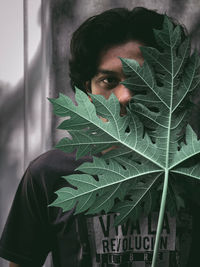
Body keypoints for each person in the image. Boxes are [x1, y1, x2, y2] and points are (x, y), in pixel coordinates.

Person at [0, 6, 199, 267]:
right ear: (88, 92)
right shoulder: (48, 175)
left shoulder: (193, 171)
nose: (126, 95)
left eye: (144, 78)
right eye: (109, 81)